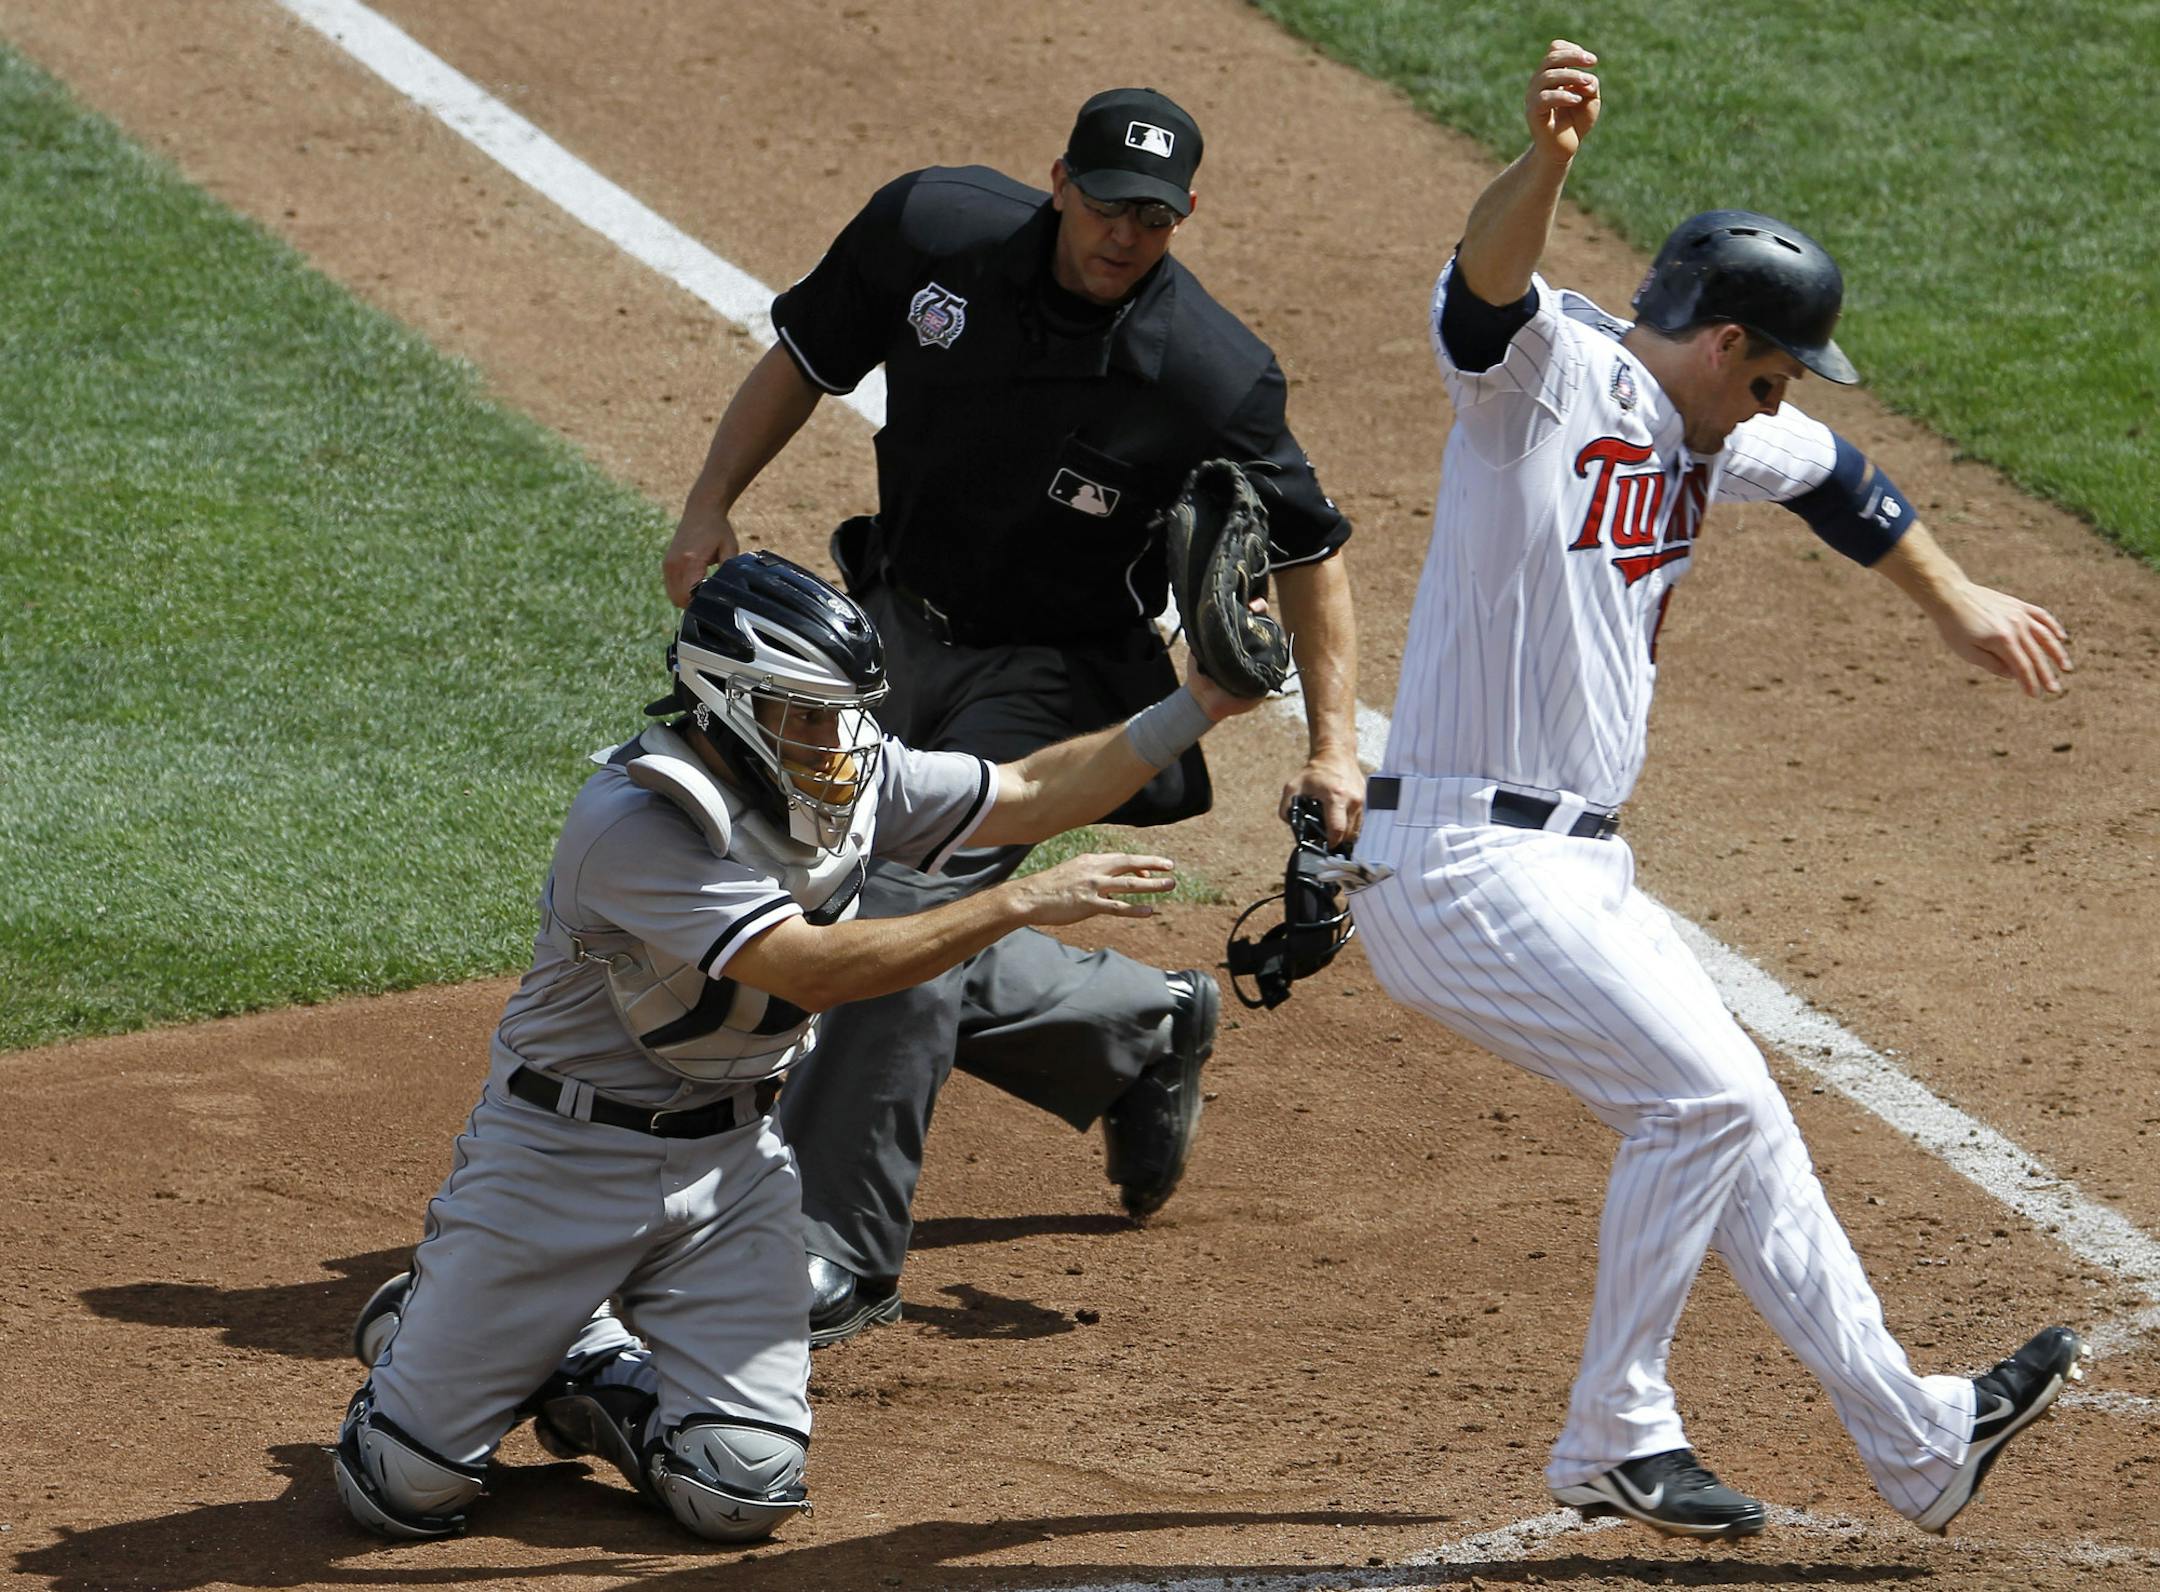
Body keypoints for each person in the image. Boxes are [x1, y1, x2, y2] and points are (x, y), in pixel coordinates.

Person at [1350, 39, 2084, 1540]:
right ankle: (1615, 1431)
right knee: (1702, 1099)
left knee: (1748, 1126)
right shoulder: (1549, 379)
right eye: (1775, 369)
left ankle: (1919, 1439)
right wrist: (1547, 163)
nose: (1779, 400)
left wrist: (1953, 601)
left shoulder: (1714, 430)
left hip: (1572, 872)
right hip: (1462, 862)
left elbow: (1842, 478)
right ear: (1725, 336)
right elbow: (1480, 289)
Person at [330, 551, 1260, 1544]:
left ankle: (576, 1357)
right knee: (402, 1485)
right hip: (558, 1161)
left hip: (729, 1168)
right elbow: (810, 969)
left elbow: (1027, 790)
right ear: (727, 700)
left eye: (842, 712)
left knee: (744, 1487)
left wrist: (1196, 701)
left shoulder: (845, 773)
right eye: (806, 714)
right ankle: (473, 1332)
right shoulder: (637, 821)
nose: (838, 742)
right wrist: (1012, 900)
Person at [664, 87, 1361, 1344]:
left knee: (901, 906)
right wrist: (711, 499)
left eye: (1154, 217)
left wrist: (1334, 744)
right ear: (1058, 181)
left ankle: (837, 1247)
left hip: (1050, 672)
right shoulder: (933, 230)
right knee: (826, 890)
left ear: (1184, 217)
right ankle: (1140, 1027)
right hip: (888, 622)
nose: (1124, 235)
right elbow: (808, 357)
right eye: (1104, 204)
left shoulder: (1206, 370)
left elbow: (1312, 551)